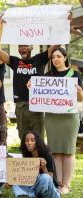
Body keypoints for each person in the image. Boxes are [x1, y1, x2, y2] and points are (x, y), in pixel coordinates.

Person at [0, 14, 60, 140]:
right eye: (20, 46)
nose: (22, 48)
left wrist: (61, 25)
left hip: (37, 106)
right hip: (21, 106)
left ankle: (38, 160)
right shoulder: (14, 61)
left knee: (38, 140)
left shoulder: (40, 58)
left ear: (32, 47)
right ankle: (25, 160)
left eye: (25, 46)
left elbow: (56, 45)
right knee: (24, 140)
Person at [27, 47, 83, 194]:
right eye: (53, 57)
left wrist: (80, 93)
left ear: (65, 58)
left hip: (69, 117)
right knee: (56, 152)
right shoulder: (47, 76)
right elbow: (40, 94)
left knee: (68, 151)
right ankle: (58, 184)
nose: (55, 59)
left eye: (59, 56)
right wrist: (31, 88)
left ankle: (66, 185)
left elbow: (80, 99)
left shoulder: (74, 74)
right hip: (52, 118)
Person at [12, 131, 60, 198]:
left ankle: (29, 195)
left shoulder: (47, 154)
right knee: (16, 179)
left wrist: (44, 168)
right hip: (34, 187)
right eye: (27, 141)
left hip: (50, 189)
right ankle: (23, 195)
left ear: (37, 142)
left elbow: (50, 179)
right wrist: (10, 182)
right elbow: (25, 179)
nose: (29, 143)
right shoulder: (26, 156)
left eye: (32, 140)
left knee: (45, 177)